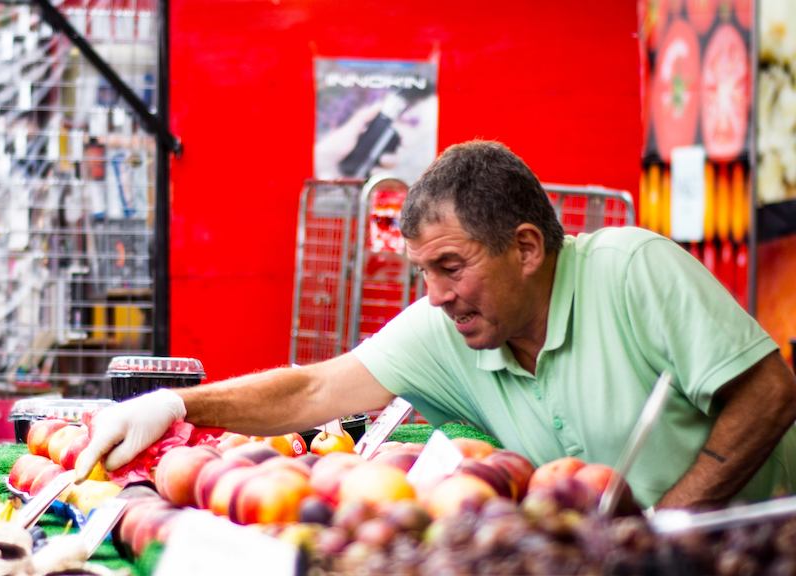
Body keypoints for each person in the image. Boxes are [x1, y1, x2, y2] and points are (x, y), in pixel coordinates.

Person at [76, 140, 796, 510]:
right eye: (423, 271)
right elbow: (309, 390)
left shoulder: (633, 268)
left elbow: (769, 391)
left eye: (450, 266)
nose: (437, 295)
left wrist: (671, 521)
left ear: (526, 247)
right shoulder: (451, 327)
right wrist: (176, 405)